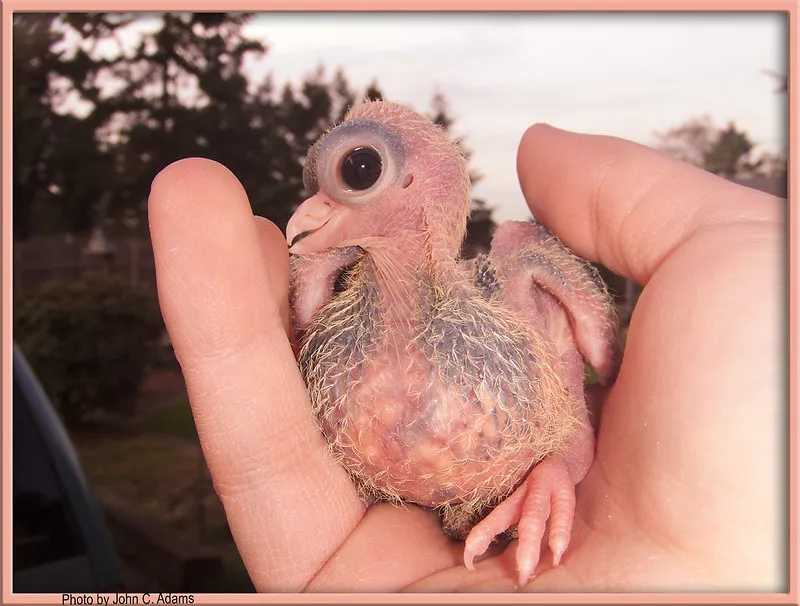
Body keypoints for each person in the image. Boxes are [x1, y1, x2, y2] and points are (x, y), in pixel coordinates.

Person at [147, 123, 785, 593]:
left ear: (422, 179)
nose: (317, 207)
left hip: (524, 472)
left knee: (533, 284)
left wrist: (564, 464)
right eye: (326, 186)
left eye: (357, 172)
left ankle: (553, 474)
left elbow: (595, 376)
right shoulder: (325, 272)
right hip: (392, 513)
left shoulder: (520, 278)